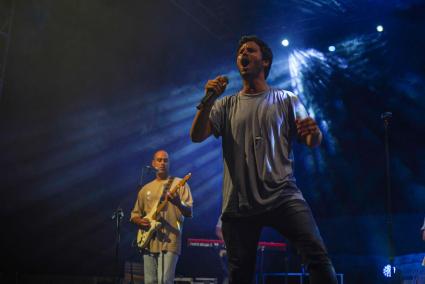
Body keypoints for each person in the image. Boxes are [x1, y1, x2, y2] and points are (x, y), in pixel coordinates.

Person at [190, 35, 337, 283]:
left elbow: (312, 140)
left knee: (317, 257)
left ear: (265, 61)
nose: (242, 55)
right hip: (239, 203)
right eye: (239, 52)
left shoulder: (286, 99)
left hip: (283, 195)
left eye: (250, 50)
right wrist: (208, 102)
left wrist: (314, 133)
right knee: (240, 274)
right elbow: (196, 136)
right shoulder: (225, 105)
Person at [130, 150, 193, 284]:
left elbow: (189, 211)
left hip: (170, 240)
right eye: (159, 160)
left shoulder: (180, 184)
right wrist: (139, 221)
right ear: (153, 164)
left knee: (164, 280)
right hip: (148, 241)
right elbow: (134, 214)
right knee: (150, 281)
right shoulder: (145, 189)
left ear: (169, 163)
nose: (162, 163)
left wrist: (177, 202)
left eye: (165, 160)